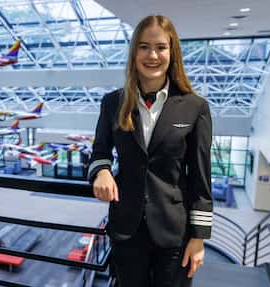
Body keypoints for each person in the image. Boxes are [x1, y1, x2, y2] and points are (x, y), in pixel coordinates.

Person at [88, 15, 212, 287]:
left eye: (160, 47)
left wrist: (198, 237)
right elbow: (99, 151)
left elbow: (201, 178)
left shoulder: (195, 107)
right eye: (144, 47)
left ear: (172, 52)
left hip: (174, 233)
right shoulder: (113, 102)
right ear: (134, 53)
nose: (152, 55)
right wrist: (102, 171)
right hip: (126, 229)